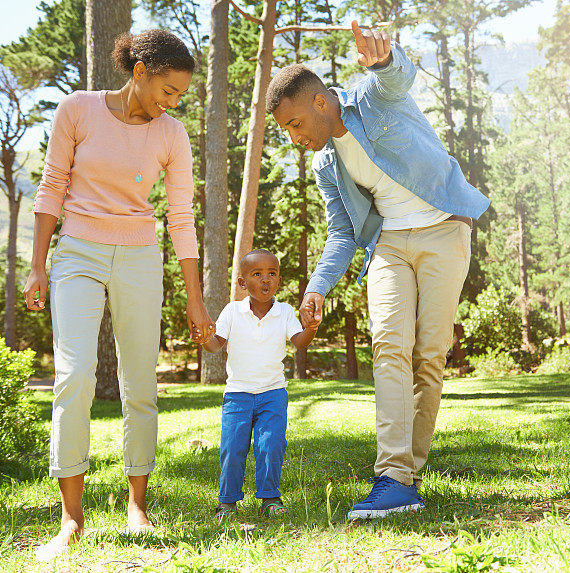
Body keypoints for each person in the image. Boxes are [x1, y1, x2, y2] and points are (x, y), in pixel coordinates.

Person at [265, 21, 490, 519]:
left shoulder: (372, 97)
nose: (296, 137)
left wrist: (385, 61)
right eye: (287, 131)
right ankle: (393, 476)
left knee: (429, 354)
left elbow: (397, 78)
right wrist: (316, 289)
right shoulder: (327, 165)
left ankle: (410, 470)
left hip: (443, 230)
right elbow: (343, 233)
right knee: (389, 346)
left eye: (296, 124)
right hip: (389, 244)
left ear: (321, 103)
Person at [22, 30, 215, 561]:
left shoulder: (171, 135)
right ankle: (71, 520)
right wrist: (38, 267)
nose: (171, 102)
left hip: (138, 257)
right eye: (167, 90)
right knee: (75, 374)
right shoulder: (78, 110)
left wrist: (196, 302)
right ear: (140, 72)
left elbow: (180, 219)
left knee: (140, 383)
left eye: (180, 95)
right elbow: (51, 187)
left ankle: (137, 507)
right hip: (77, 252)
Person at [202, 249, 318, 518]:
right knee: (233, 448)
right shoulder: (232, 311)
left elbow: (299, 341)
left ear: (278, 280)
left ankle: (270, 499)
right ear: (243, 283)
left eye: (272, 274)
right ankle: (227, 501)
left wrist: (311, 327)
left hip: (273, 394)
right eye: (257, 274)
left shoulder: (285, 312)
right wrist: (203, 337)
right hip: (237, 395)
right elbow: (215, 344)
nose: (266, 280)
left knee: (271, 445)